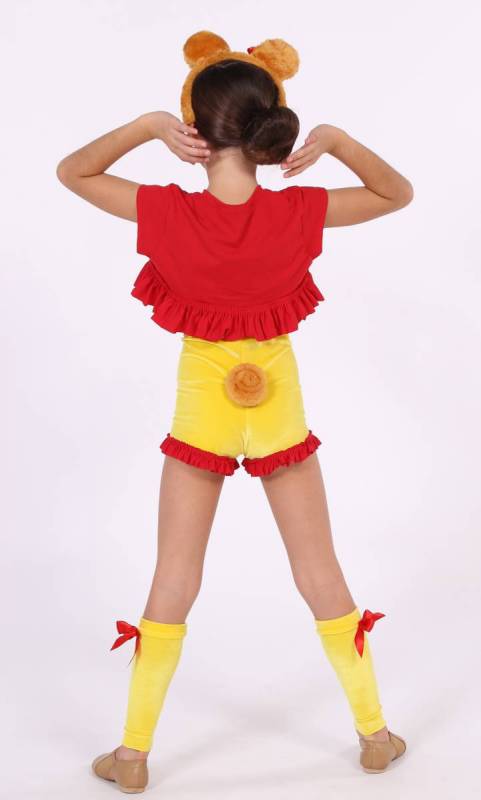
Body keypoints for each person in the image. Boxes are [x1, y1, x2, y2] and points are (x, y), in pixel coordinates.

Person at [56, 31, 413, 793]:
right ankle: (375, 735)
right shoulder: (301, 212)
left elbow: (72, 171)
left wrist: (147, 127)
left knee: (173, 579)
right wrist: (336, 140)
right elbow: (396, 194)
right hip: (279, 412)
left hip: (200, 418)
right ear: (267, 123)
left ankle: (132, 755)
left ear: (195, 126)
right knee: (319, 573)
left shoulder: (162, 212)